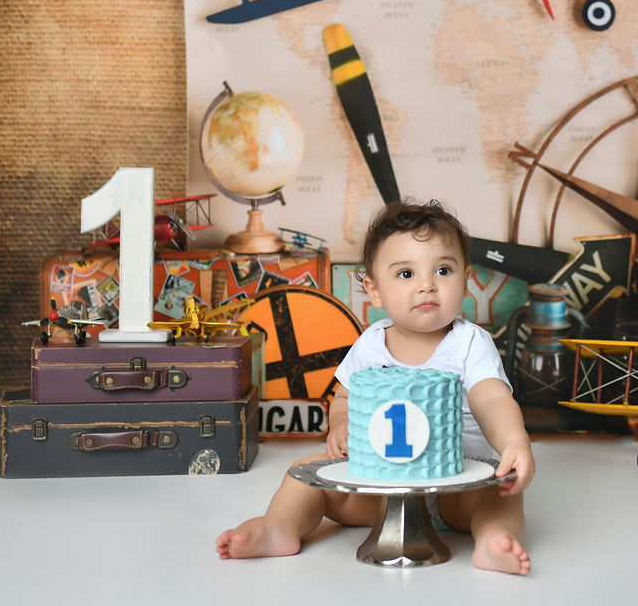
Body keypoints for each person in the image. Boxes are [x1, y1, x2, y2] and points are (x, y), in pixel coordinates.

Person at [216, 200, 534, 575]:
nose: (426, 285)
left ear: (465, 281)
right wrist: (339, 425)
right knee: (305, 474)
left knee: (501, 498)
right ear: (374, 289)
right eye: (405, 274)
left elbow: (491, 396)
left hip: (459, 485)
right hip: (382, 488)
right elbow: (345, 397)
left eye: (443, 270)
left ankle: (492, 539)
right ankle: (280, 527)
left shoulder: (469, 342)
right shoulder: (370, 343)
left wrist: (514, 440)